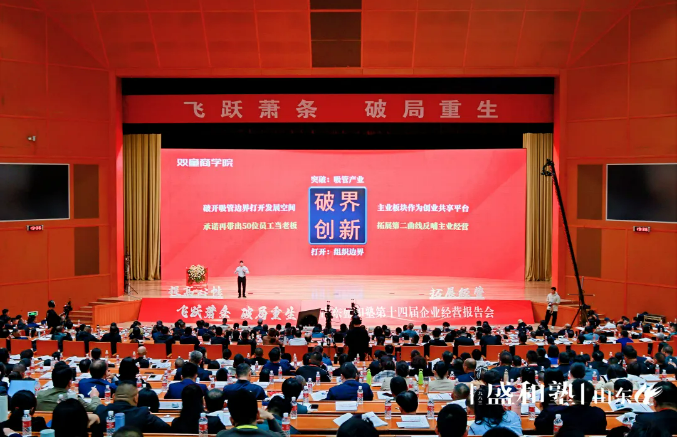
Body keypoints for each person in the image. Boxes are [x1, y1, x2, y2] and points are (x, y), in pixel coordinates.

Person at [93, 383, 171, 435]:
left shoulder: (100, 411)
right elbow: (168, 429)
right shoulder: (142, 413)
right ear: (136, 399)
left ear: (113, 397)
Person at [535, 379, 606, 435]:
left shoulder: (554, 413)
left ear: (570, 396)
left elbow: (539, 425)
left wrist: (557, 404)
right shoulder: (599, 413)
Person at [217, 390, 282, 437]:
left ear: (231, 420)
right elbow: (283, 435)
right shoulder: (271, 435)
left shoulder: (221, 435)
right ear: (258, 415)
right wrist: (270, 416)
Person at [37, 364, 101, 412]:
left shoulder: (40, 395)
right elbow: (95, 408)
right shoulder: (73, 399)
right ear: (70, 382)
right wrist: (95, 396)